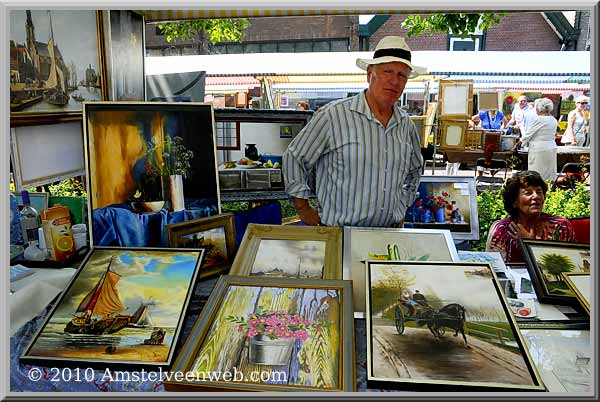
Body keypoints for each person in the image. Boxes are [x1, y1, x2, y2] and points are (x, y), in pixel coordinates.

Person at [283, 36, 425, 227]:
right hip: (338, 235)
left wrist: (402, 205)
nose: (394, 81)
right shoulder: (333, 115)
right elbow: (294, 157)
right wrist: (303, 209)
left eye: (402, 75)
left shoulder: (405, 124)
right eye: (387, 71)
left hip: (388, 234)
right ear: (369, 74)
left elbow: (415, 169)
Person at [487, 171, 575, 263]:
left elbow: (570, 265)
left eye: (539, 192)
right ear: (514, 202)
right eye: (528, 193)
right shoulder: (502, 230)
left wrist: (529, 244)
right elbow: (495, 269)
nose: (536, 196)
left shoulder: (561, 226)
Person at [514, 98, 558, 182]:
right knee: (549, 173)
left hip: (539, 149)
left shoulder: (539, 119)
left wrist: (519, 143)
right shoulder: (553, 119)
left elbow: (528, 134)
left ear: (539, 109)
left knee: (537, 174)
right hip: (551, 147)